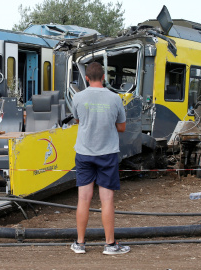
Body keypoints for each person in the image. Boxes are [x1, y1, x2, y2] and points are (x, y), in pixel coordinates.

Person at [70, 62, 129, 255]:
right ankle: (110, 245)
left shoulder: (78, 97)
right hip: (107, 154)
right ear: (104, 77)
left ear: (87, 78)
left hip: (84, 153)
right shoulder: (115, 98)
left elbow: (78, 120)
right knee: (107, 199)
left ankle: (79, 244)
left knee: (83, 199)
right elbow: (122, 128)